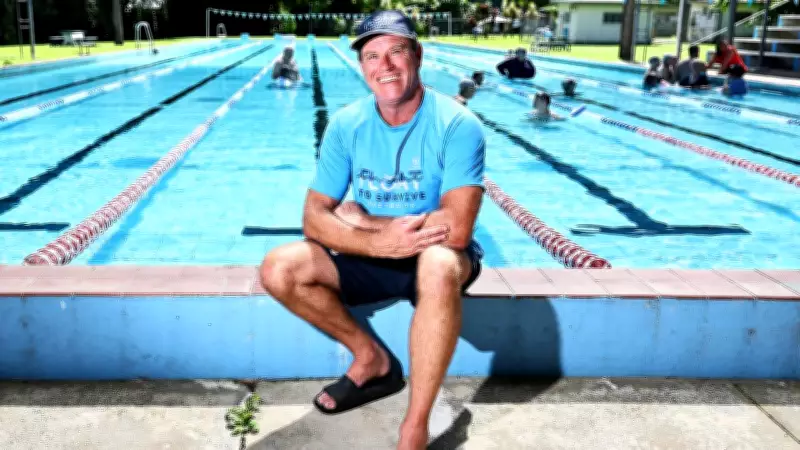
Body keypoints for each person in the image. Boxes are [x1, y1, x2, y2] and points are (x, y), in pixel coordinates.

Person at [259, 10, 486, 450]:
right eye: (372, 56)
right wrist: (379, 240)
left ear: (417, 55)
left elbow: (456, 228)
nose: (386, 66)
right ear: (362, 67)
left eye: (397, 52)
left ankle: (414, 426)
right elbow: (314, 218)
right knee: (279, 267)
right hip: (374, 253)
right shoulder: (347, 124)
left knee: (440, 262)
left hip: (435, 254)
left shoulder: (458, 124)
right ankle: (373, 359)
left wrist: (363, 219)